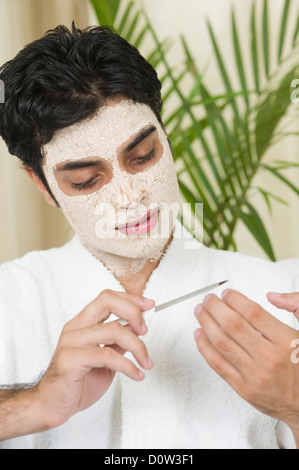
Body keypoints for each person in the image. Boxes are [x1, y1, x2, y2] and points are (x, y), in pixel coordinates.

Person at [0, 23, 298, 449]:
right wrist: (35, 404)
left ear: (166, 136)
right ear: (42, 185)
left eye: (142, 156)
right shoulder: (8, 302)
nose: (129, 195)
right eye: (86, 180)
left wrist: (295, 406)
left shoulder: (284, 294)